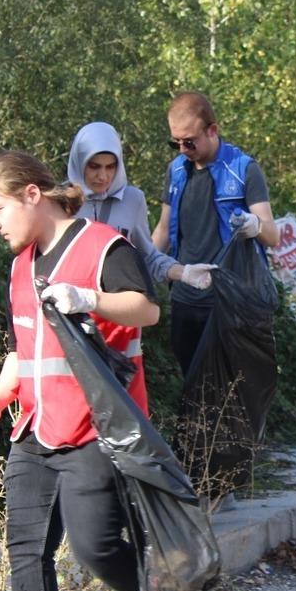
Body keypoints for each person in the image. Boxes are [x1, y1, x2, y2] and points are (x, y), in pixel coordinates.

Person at [0, 151, 197, 591]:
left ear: (32, 196)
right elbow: (23, 350)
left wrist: (89, 298)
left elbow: (146, 309)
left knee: (92, 549)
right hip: (35, 427)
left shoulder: (103, 246)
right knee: (25, 550)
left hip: (94, 427)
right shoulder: (21, 265)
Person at [66, 122, 210, 416]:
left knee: (128, 413)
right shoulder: (62, 202)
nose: (102, 176)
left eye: (110, 166)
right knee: (80, 411)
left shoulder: (132, 199)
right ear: (80, 162)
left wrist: (183, 272)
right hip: (74, 315)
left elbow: (146, 256)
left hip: (121, 318)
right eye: (94, 166)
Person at [151, 91, 279, 374]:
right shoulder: (176, 171)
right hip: (186, 296)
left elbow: (272, 235)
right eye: (176, 142)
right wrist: (140, 265)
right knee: (192, 382)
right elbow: (162, 229)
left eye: (189, 141)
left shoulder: (243, 169)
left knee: (232, 386)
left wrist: (254, 226)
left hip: (231, 301)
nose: (183, 148)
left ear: (212, 130)